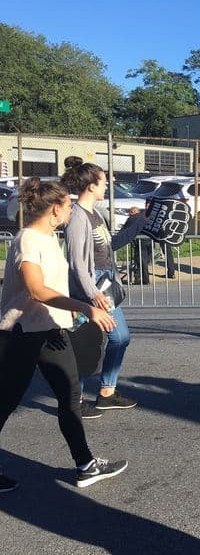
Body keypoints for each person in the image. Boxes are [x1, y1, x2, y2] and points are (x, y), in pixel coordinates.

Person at [0, 178, 127, 492]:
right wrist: (85, 308)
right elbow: (35, 288)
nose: (72, 210)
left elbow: (50, 289)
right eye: (69, 205)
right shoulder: (28, 238)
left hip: (50, 331)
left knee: (70, 396)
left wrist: (68, 310)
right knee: (5, 402)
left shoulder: (49, 238)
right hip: (21, 333)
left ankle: (85, 465)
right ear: (55, 209)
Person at [61, 158, 145, 418]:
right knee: (83, 344)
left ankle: (106, 393)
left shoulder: (96, 214)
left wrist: (136, 225)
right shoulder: (77, 217)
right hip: (89, 286)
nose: (107, 186)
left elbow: (110, 247)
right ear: (91, 185)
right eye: (104, 182)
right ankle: (75, 401)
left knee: (120, 338)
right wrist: (92, 293)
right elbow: (76, 262)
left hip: (105, 282)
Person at [123, 206, 152, 285]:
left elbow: (124, 229)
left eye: (130, 212)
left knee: (141, 262)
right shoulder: (145, 217)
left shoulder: (132, 219)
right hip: (149, 241)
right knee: (144, 261)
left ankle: (144, 280)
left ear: (133, 212)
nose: (129, 214)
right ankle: (140, 278)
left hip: (140, 242)